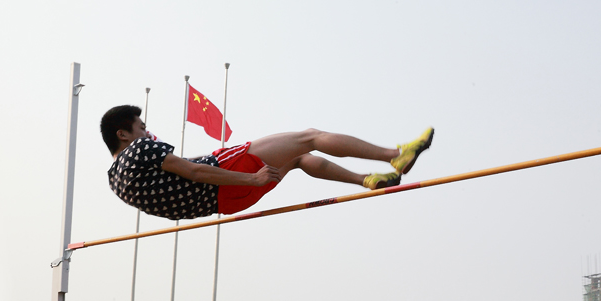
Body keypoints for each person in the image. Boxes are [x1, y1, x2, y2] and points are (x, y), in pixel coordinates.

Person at [101, 105, 434, 221]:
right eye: (141, 128)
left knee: (298, 158)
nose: (147, 132)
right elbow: (194, 171)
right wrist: (252, 179)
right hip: (231, 175)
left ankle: (366, 180)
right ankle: (395, 155)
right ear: (123, 134)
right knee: (310, 136)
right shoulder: (139, 149)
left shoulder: (115, 180)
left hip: (226, 203)